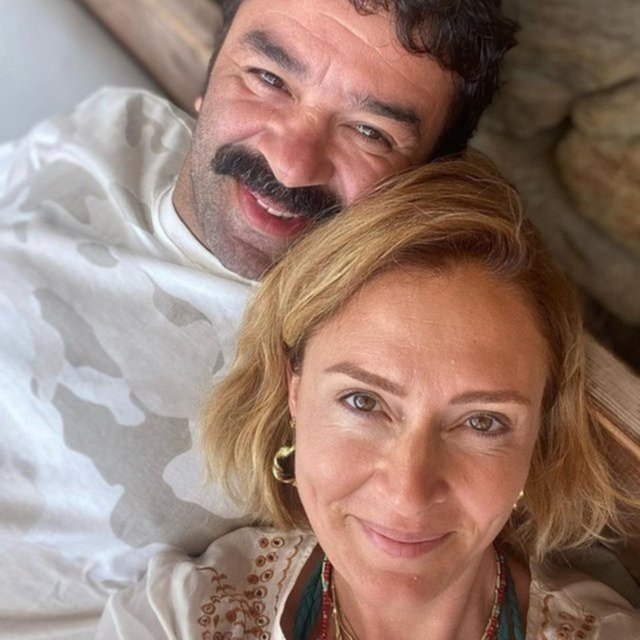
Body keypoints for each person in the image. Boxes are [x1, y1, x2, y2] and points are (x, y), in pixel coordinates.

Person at [0, 2, 519, 638]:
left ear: (423, 180)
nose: (291, 163)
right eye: (268, 79)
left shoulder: (354, 368)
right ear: (211, 71)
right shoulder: (118, 125)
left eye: (369, 132)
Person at [96, 154, 640, 639]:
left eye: (482, 422)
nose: (408, 495)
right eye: (363, 402)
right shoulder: (178, 620)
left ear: (538, 434)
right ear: (295, 392)